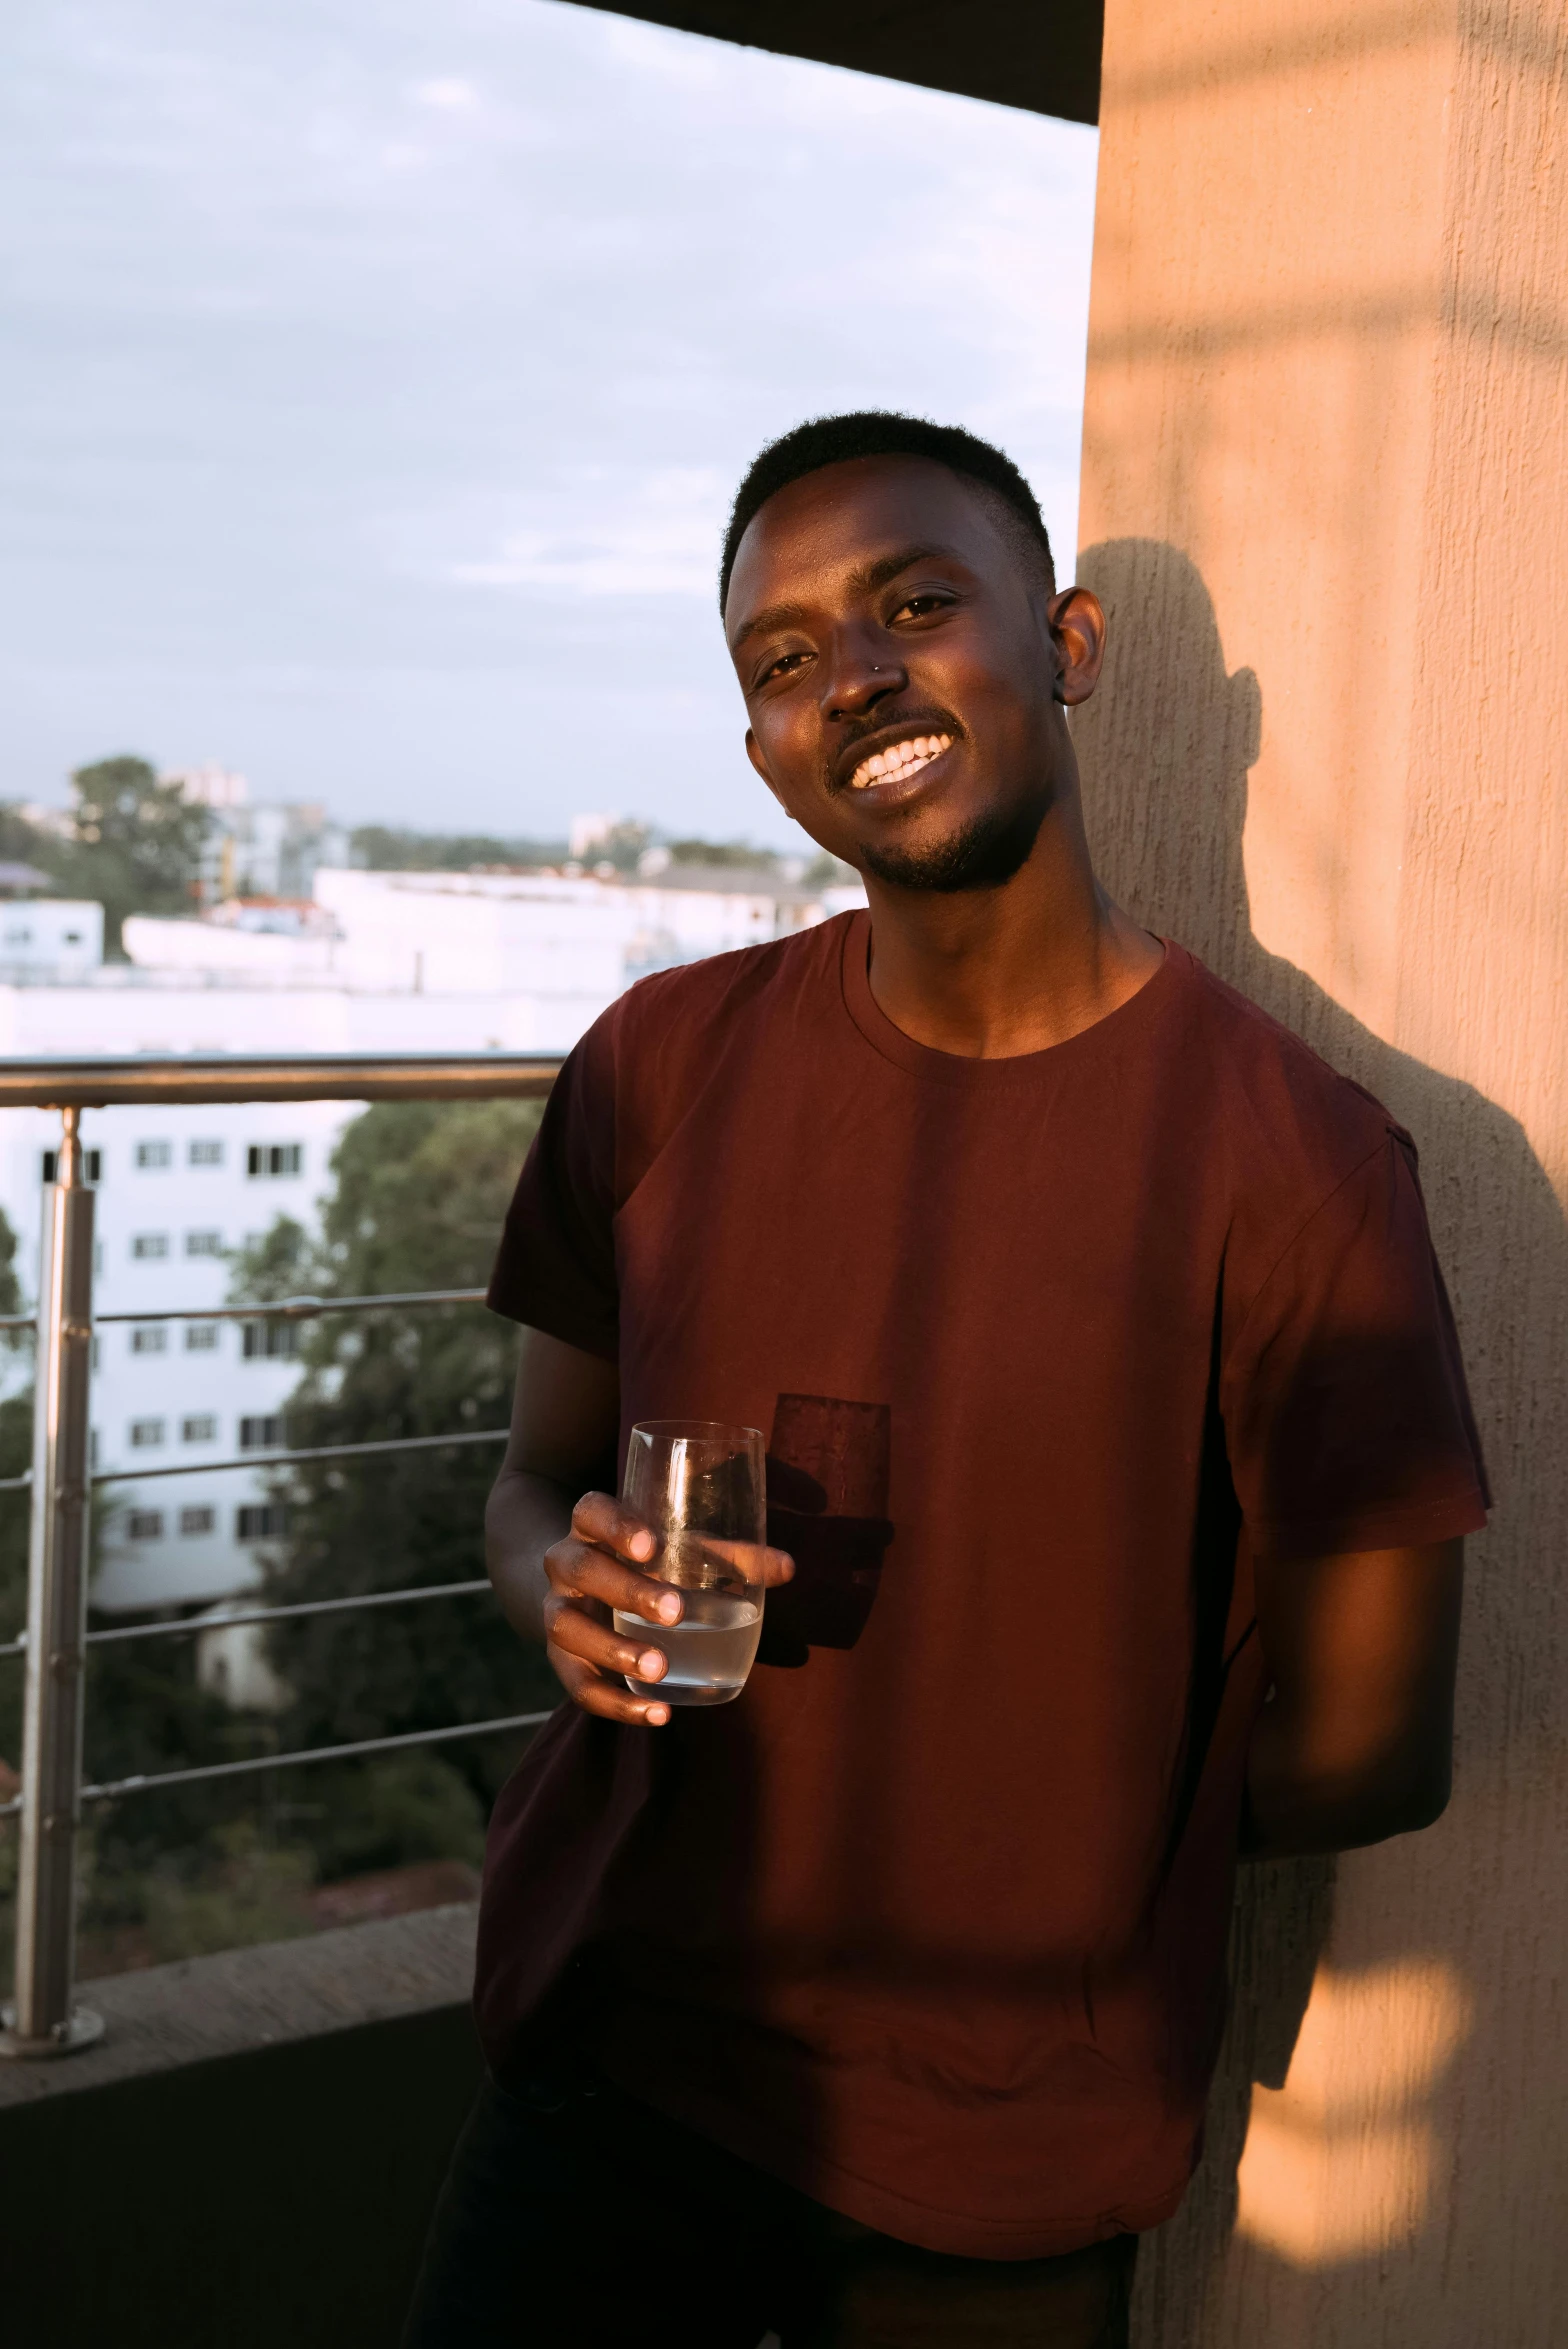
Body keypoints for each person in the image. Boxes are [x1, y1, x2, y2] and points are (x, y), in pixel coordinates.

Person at [403, 413, 1489, 2348]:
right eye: (788, 660)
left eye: (917, 604)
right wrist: (555, 1597)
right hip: (607, 2071)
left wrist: (1047, 1825)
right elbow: (528, 1491)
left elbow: (1376, 1752)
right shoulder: (655, 1065)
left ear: (1062, 645)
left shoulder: (1297, 1166)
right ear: (760, 752)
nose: (860, 679)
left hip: (993, 2167)